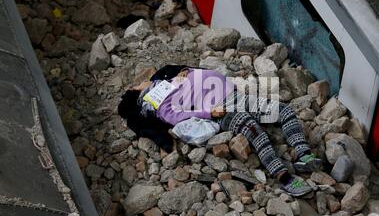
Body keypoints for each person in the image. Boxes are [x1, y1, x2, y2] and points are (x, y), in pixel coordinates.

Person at [118, 65, 322, 197]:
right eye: (137, 83)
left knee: (283, 110)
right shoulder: (154, 102)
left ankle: (304, 154)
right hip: (221, 109)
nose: (142, 80)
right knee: (254, 130)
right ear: (138, 92)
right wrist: (210, 112)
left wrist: (186, 71)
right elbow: (176, 117)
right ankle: (284, 178)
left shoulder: (166, 82)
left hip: (234, 95)